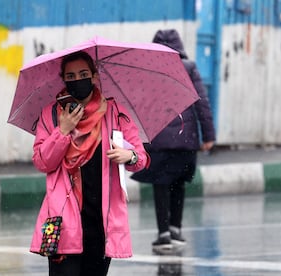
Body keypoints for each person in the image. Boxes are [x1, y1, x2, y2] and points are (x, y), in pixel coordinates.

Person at [29, 50, 149, 276]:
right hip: (62, 222)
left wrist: (129, 155)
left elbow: (141, 159)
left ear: (94, 77)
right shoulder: (52, 115)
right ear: (63, 79)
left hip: (101, 224)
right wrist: (62, 131)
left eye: (83, 74)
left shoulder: (115, 113)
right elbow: (42, 162)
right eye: (71, 76)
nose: (77, 80)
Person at [131, 29, 216, 253]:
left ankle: (164, 234)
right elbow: (202, 103)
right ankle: (176, 229)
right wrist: (208, 136)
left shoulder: (148, 70)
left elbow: (139, 106)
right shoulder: (188, 68)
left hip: (158, 140)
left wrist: (135, 137)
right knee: (178, 182)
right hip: (186, 140)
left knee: (161, 184)